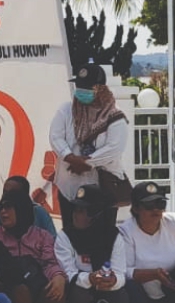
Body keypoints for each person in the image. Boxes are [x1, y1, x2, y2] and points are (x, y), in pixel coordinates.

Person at [54, 185, 128, 303]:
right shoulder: (65, 236)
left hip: (105, 287)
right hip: (79, 289)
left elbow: (120, 272)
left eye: (82, 210)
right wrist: (90, 279)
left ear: (96, 214)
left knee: (123, 293)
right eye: (75, 209)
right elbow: (69, 273)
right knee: (80, 292)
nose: (76, 214)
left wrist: (112, 281)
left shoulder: (114, 236)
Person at [49, 63, 129, 221]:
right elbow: (55, 136)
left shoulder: (114, 115)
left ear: (101, 89)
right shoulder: (66, 110)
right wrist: (70, 157)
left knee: (103, 232)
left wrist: (87, 163)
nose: (81, 90)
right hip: (69, 186)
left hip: (103, 187)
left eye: (87, 87)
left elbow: (114, 148)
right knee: (71, 230)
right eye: (79, 86)